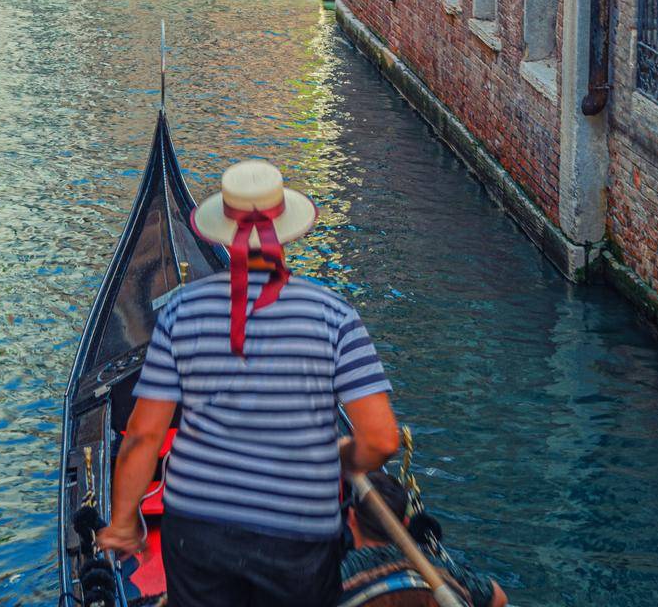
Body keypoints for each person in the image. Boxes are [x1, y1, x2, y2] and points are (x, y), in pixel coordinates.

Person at [97, 159, 400, 607]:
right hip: (300, 533)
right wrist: (340, 456)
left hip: (199, 530)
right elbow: (381, 440)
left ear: (221, 230)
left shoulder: (181, 313)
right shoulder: (335, 316)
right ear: (286, 230)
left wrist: (124, 521)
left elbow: (143, 436)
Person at [340, 472, 507, 607]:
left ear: (351, 518)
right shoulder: (440, 570)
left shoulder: (336, 576)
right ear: (406, 523)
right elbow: (499, 598)